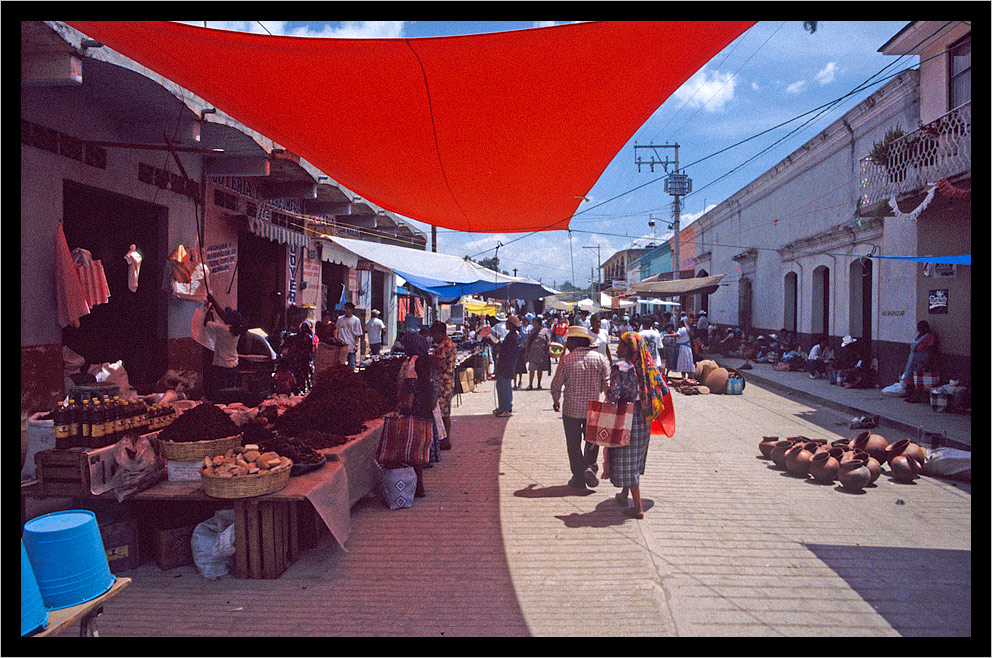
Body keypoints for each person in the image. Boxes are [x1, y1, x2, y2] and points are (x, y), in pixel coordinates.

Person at [606, 332, 666, 519]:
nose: (617, 348)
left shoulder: (620, 368)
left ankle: (637, 507)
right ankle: (624, 495)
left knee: (625, 457)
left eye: (621, 345)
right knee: (633, 457)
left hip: (626, 416)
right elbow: (663, 389)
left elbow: (613, 396)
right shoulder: (649, 367)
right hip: (644, 417)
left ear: (629, 348)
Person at [549, 325, 611, 491]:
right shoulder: (600, 359)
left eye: (569, 340)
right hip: (594, 408)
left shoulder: (566, 360)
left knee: (573, 444)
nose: (566, 343)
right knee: (592, 441)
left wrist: (556, 400)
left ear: (576, 341)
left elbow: (556, 385)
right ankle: (590, 467)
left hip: (571, 410)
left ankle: (578, 477)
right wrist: (609, 404)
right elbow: (608, 385)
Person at [396, 331, 440, 498]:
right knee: (419, 451)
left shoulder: (413, 364)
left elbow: (408, 393)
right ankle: (417, 484)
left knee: (413, 452)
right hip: (426, 412)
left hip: (415, 413)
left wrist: (403, 405)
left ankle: (416, 486)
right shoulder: (426, 365)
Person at [204, 293, 246, 397]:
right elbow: (223, 315)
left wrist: (210, 309)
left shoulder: (223, 329)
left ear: (230, 319)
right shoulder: (236, 331)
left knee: (220, 392)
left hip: (221, 366)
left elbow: (206, 323)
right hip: (233, 365)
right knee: (230, 392)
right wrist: (213, 300)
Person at [430, 321, 456, 450]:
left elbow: (438, 364)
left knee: (439, 413)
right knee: (445, 413)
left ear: (439, 333)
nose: (433, 337)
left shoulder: (443, 347)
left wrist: (429, 360)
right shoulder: (451, 343)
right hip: (449, 382)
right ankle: (446, 440)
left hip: (442, 383)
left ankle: (442, 440)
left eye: (433, 334)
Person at [902, 321, 937, 402]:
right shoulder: (918, 335)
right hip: (913, 359)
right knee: (911, 378)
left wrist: (929, 362)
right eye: (919, 327)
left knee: (919, 379)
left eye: (922, 327)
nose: (920, 329)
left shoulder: (929, 336)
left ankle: (917, 397)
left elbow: (932, 349)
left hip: (922, 359)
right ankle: (911, 395)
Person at [493, 315, 521, 417]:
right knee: (502, 386)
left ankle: (506, 408)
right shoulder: (512, 335)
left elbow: (507, 352)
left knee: (504, 387)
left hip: (506, 365)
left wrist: (497, 347)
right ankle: (502, 407)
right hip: (505, 365)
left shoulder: (513, 336)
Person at [335, 302, 364, 369]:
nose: (345, 310)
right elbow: (337, 331)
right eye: (345, 308)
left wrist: (356, 345)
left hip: (351, 345)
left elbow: (357, 334)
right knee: (341, 364)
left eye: (347, 309)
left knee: (351, 364)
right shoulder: (340, 319)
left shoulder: (356, 320)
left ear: (352, 310)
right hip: (341, 345)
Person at [525, 316, 551, 390]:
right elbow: (528, 341)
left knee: (540, 369)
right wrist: (526, 352)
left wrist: (548, 351)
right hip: (532, 353)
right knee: (532, 369)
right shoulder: (531, 331)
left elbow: (548, 341)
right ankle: (530, 384)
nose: (533, 324)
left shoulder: (545, 331)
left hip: (541, 353)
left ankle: (539, 384)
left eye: (535, 323)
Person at [514, 317, 530, 389]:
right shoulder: (520, 328)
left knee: (521, 365)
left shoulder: (530, 328)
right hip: (519, 348)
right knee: (517, 367)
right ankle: (515, 383)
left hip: (526, 346)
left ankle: (520, 380)